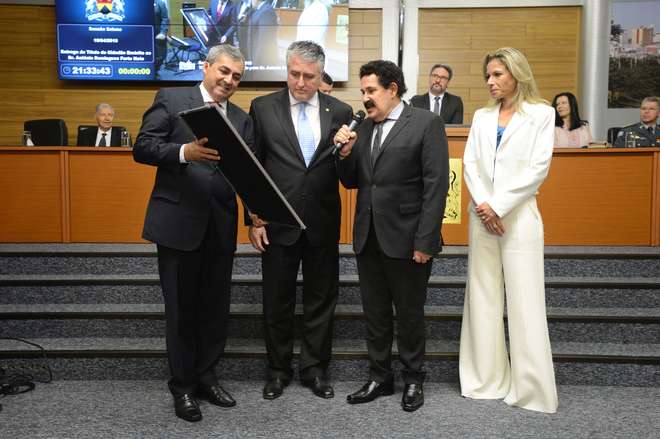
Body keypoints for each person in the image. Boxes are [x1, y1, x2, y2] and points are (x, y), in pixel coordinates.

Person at [133, 44, 253, 422]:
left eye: (236, 76)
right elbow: (143, 147)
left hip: (220, 227)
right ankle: (183, 386)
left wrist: (257, 216)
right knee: (182, 311)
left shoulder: (242, 119)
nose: (229, 80)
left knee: (215, 310)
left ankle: (206, 376)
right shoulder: (171, 99)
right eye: (224, 71)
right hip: (178, 224)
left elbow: (248, 174)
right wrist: (184, 152)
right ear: (206, 67)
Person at [333, 60, 449, 412]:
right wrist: (344, 154)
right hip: (369, 237)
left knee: (409, 315)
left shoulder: (425, 123)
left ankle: (413, 379)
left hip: (409, 239)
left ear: (393, 89)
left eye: (371, 90)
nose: (365, 98)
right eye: (362, 91)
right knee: (376, 314)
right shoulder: (364, 127)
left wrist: (425, 241)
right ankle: (379, 377)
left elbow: (436, 187)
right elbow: (352, 181)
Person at [248, 41, 353, 400]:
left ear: (321, 75)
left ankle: (314, 370)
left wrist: (348, 154)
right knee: (276, 301)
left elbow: (347, 175)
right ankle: (278, 371)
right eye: (294, 74)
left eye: (309, 76)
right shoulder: (262, 107)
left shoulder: (341, 111)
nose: (301, 83)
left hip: (322, 221)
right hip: (277, 223)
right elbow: (253, 167)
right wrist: (254, 218)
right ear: (287, 70)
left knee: (321, 300)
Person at [459, 47, 558, 414]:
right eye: (488, 75)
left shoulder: (542, 114)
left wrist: (498, 206)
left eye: (497, 74)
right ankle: (485, 381)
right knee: (482, 297)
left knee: (525, 301)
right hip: (481, 217)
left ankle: (531, 389)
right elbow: (470, 163)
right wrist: (485, 206)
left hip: (518, 217)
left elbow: (538, 168)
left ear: (517, 74)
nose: (490, 81)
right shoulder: (482, 116)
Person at [246, 0, 279, 68]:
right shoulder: (259, 9)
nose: (250, 2)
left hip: (261, 61)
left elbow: (264, 41)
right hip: (255, 56)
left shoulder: (266, 11)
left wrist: (256, 63)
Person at [154, 0, 170, 73]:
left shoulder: (160, 3)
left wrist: (163, 32)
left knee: (161, 56)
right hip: (144, 34)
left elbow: (165, 19)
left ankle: (156, 70)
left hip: (158, 34)